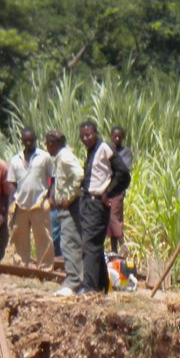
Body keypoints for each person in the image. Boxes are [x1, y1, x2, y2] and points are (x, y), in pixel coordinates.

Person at [79, 120, 130, 293]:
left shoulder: (104, 148)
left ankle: (90, 287)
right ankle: (101, 286)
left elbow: (123, 174)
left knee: (90, 244)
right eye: (82, 136)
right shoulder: (91, 151)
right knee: (95, 245)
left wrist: (108, 193)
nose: (86, 139)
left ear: (97, 134)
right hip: (88, 201)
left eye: (89, 135)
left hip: (97, 203)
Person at [8, 127, 55, 269]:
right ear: (22, 140)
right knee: (20, 238)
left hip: (39, 203)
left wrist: (50, 198)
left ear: (35, 140)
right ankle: (21, 266)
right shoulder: (15, 160)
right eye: (25, 140)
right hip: (21, 205)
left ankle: (45, 268)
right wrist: (12, 200)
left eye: (31, 140)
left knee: (43, 237)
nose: (28, 142)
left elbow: (53, 178)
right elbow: (11, 182)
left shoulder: (44, 157)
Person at [46, 129, 86, 296]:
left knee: (69, 243)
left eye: (47, 144)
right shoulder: (61, 157)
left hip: (70, 207)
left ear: (52, 144)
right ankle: (77, 281)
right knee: (70, 242)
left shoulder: (65, 156)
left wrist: (69, 197)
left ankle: (73, 282)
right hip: (65, 207)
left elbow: (79, 174)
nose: (47, 148)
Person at [107, 126, 133, 255]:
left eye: (119, 136)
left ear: (122, 138)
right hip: (106, 189)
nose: (117, 139)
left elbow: (123, 170)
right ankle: (114, 251)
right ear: (111, 136)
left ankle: (122, 243)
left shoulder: (126, 152)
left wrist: (113, 155)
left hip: (118, 190)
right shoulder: (106, 150)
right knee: (109, 219)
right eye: (114, 136)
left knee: (114, 216)